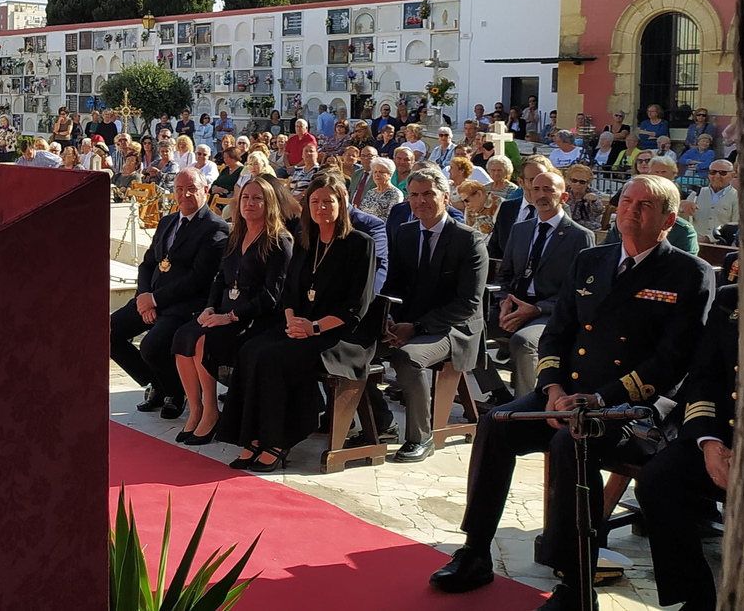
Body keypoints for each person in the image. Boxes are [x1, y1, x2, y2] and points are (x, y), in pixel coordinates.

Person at [431, 175, 712, 607]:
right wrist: (553, 388)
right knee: (495, 424)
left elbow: (671, 362)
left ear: (668, 220)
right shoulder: (591, 260)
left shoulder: (688, 273)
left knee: (570, 442)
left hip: (629, 408)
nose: (630, 210)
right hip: (567, 393)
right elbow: (557, 333)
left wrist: (599, 400)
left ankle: (575, 584)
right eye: (627, 201)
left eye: (645, 206)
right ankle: (475, 551)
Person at [218, 172, 375, 470]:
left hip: (340, 335)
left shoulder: (359, 244)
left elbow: (357, 306)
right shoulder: (306, 241)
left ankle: (278, 441)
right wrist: (292, 321)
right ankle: (252, 437)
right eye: (314, 202)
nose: (320, 208)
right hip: (300, 326)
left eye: (327, 202)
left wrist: (313, 327)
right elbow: (289, 292)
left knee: (276, 358)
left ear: (341, 203)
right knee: (250, 350)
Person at [371, 167, 488, 462]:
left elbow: (468, 303)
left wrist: (417, 327)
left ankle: (420, 437)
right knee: (353, 346)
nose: (420, 201)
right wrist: (387, 318)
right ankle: (381, 423)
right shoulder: (404, 233)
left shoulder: (468, 240)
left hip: (454, 327)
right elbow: (393, 284)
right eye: (413, 195)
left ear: (445, 197)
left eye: (428, 194)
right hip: (411, 322)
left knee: (408, 357)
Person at [635, 278, 738, 611]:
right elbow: (705, 376)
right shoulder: (732, 298)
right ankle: (697, 599)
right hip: (728, 435)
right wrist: (710, 442)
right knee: (657, 480)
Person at [170, 176, 293, 445]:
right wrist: (210, 307)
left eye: (257, 198)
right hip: (223, 310)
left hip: (255, 318)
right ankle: (197, 409)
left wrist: (231, 316)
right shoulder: (235, 235)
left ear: (268, 203)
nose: (249, 203)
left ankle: (212, 412)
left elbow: (272, 295)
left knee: (204, 341)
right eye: (245, 198)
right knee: (183, 337)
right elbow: (220, 279)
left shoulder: (279, 242)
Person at [111, 168, 231, 422]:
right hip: (151, 298)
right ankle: (157, 384)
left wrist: (155, 300)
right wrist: (145, 296)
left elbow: (197, 279)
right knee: (109, 333)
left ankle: (176, 393)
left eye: (191, 189)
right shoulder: (167, 222)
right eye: (179, 189)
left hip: (184, 304)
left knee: (151, 346)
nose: (184, 194)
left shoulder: (215, 228)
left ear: (205, 191)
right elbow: (148, 264)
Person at [490, 170, 593, 396]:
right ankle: (498, 392)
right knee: (465, 332)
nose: (541, 194)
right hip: (513, 305)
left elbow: (580, 291)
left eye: (548, 189)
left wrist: (537, 309)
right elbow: (504, 275)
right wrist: (503, 300)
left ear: (563, 197)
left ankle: (525, 410)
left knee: (523, 342)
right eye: (536, 189)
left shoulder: (579, 236)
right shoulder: (521, 229)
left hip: (549, 312)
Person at [489, 156, 559, 260]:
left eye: (543, 178)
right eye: (532, 179)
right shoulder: (507, 208)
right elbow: (495, 247)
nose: (538, 184)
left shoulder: (557, 209)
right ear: (520, 182)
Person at [688, 159, 738, 239]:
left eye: (723, 173)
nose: (717, 176)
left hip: (721, 246)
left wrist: (709, 238)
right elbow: (685, 220)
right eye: (713, 172)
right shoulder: (696, 194)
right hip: (695, 244)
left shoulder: (737, 197)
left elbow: (735, 226)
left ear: (732, 175)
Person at [561, 162, 605, 228]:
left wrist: (594, 201)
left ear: (588, 183)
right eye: (574, 180)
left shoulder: (594, 193)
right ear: (569, 180)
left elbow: (598, 211)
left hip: (587, 228)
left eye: (582, 182)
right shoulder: (564, 191)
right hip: (566, 226)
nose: (577, 184)